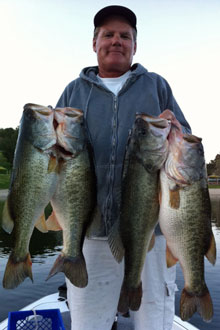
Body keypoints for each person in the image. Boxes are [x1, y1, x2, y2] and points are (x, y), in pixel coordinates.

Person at [56, 5, 191, 330]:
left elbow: (186, 144)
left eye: (124, 36)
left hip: (152, 234)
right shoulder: (74, 91)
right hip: (91, 231)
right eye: (108, 34)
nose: (116, 41)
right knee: (88, 322)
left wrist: (177, 132)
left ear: (134, 45)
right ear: (95, 43)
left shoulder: (157, 85)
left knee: (154, 321)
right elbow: (53, 153)